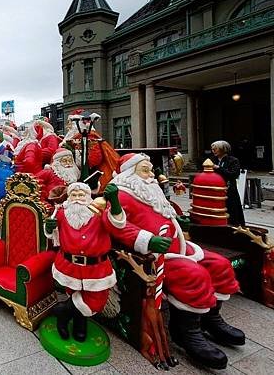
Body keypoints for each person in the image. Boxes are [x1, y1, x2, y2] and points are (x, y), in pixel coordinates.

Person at [110, 153, 244, 370]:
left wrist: (179, 222)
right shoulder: (123, 195)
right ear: (129, 173)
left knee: (220, 265)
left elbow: (166, 214)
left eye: (150, 169)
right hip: (155, 255)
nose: (151, 173)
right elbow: (118, 225)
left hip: (180, 246)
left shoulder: (150, 190)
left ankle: (211, 318)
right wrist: (148, 240)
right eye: (145, 169)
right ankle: (186, 331)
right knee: (194, 275)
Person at [44, 182, 126, 341]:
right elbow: (51, 234)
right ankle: (80, 325)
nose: (77, 199)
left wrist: (115, 202)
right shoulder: (61, 212)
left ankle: (63, 312)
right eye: (73, 195)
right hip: (68, 264)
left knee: (96, 300)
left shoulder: (99, 212)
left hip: (96, 267)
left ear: (89, 197)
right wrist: (48, 226)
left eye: (81, 195)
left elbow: (118, 224)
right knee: (73, 293)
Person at [210, 140, 245, 226]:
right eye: (212, 149)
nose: (213, 151)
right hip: (215, 190)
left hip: (229, 190)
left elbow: (233, 174)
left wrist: (218, 168)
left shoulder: (233, 160)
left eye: (215, 149)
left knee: (232, 210)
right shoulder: (212, 160)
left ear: (222, 149)